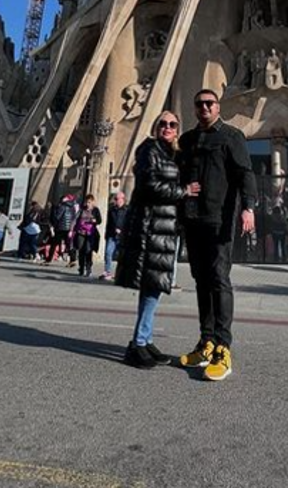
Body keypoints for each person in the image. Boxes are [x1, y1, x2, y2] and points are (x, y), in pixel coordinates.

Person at [178, 88, 257, 381]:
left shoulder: (232, 136)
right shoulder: (186, 140)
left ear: (218, 106)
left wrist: (248, 208)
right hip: (193, 219)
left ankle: (223, 348)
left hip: (218, 220)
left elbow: (245, 174)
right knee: (201, 280)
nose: (204, 108)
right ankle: (206, 341)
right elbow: (177, 176)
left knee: (219, 279)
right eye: (199, 104)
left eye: (209, 103)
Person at [117, 110, 199, 368]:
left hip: (165, 228)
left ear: (177, 130)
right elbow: (149, 185)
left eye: (172, 124)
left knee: (153, 287)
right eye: (162, 123)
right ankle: (138, 344)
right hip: (150, 227)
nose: (167, 127)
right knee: (151, 288)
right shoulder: (149, 149)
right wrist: (183, 191)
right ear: (155, 127)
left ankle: (145, 340)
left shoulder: (171, 154)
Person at [101, 189, 128, 281]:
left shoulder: (127, 210)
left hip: (122, 236)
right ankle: (107, 271)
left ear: (123, 199)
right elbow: (108, 223)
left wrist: (123, 231)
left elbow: (129, 223)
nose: (116, 200)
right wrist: (106, 234)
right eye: (115, 199)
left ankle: (120, 274)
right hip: (112, 235)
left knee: (121, 256)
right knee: (108, 253)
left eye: (117, 199)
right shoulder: (112, 209)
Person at [73, 194, 102, 277]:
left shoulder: (96, 210)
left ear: (93, 202)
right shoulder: (82, 209)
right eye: (86, 202)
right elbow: (76, 219)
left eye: (89, 202)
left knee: (88, 250)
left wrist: (94, 220)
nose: (87, 204)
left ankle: (88, 268)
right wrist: (72, 230)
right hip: (81, 232)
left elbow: (100, 220)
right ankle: (81, 268)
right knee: (81, 250)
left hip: (90, 233)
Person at [47, 195, 77, 264]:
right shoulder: (72, 207)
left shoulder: (62, 206)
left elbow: (57, 217)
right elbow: (73, 218)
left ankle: (49, 259)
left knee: (54, 244)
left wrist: (53, 211)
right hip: (68, 228)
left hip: (60, 228)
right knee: (68, 244)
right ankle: (73, 259)